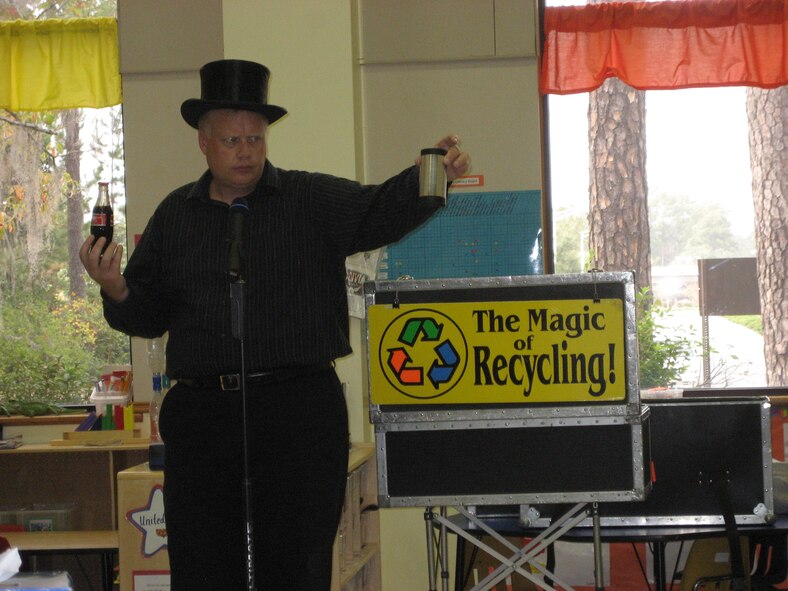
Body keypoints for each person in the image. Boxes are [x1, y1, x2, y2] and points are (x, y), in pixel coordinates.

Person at [80, 58, 470, 590]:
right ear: (203, 142)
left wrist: (432, 177)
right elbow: (148, 314)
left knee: (296, 567)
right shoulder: (176, 215)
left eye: (255, 139)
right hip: (203, 418)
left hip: (298, 414)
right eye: (232, 140)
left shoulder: (307, 198)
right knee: (201, 568)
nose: (245, 151)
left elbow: (377, 209)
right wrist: (116, 287)